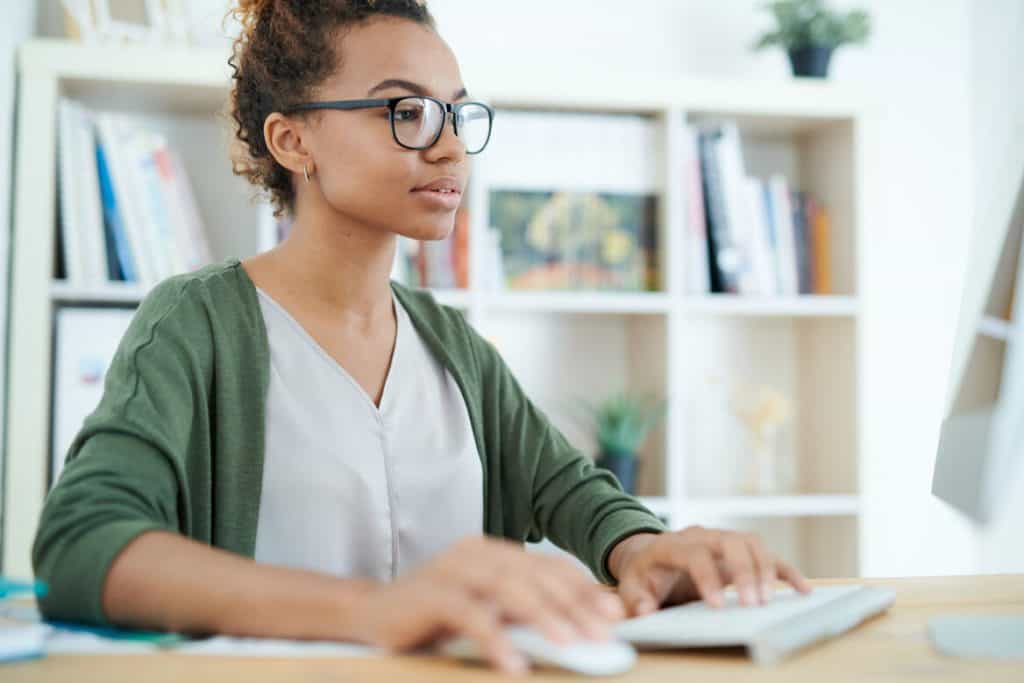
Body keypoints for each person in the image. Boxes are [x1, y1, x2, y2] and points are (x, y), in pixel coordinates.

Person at [32, 0, 811, 674]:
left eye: (456, 113)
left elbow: (573, 492)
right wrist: (375, 609)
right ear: (291, 141)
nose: (447, 146)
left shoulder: (451, 345)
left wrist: (644, 549)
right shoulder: (197, 325)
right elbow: (81, 546)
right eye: (405, 112)